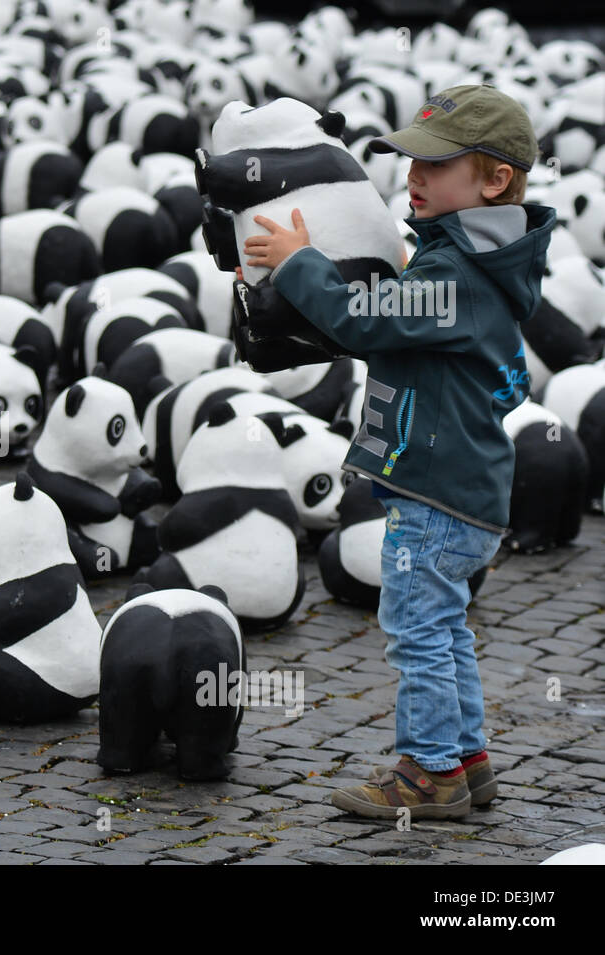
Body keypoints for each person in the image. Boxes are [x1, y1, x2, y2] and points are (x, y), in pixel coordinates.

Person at [238, 85, 555, 819]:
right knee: (445, 630)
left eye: (433, 166)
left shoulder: (452, 280)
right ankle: (467, 761)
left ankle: (427, 773)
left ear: (494, 180)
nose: (411, 177)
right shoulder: (471, 264)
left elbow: (363, 320)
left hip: (437, 497)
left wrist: (298, 260)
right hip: (462, 494)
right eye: (408, 160)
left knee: (416, 631)